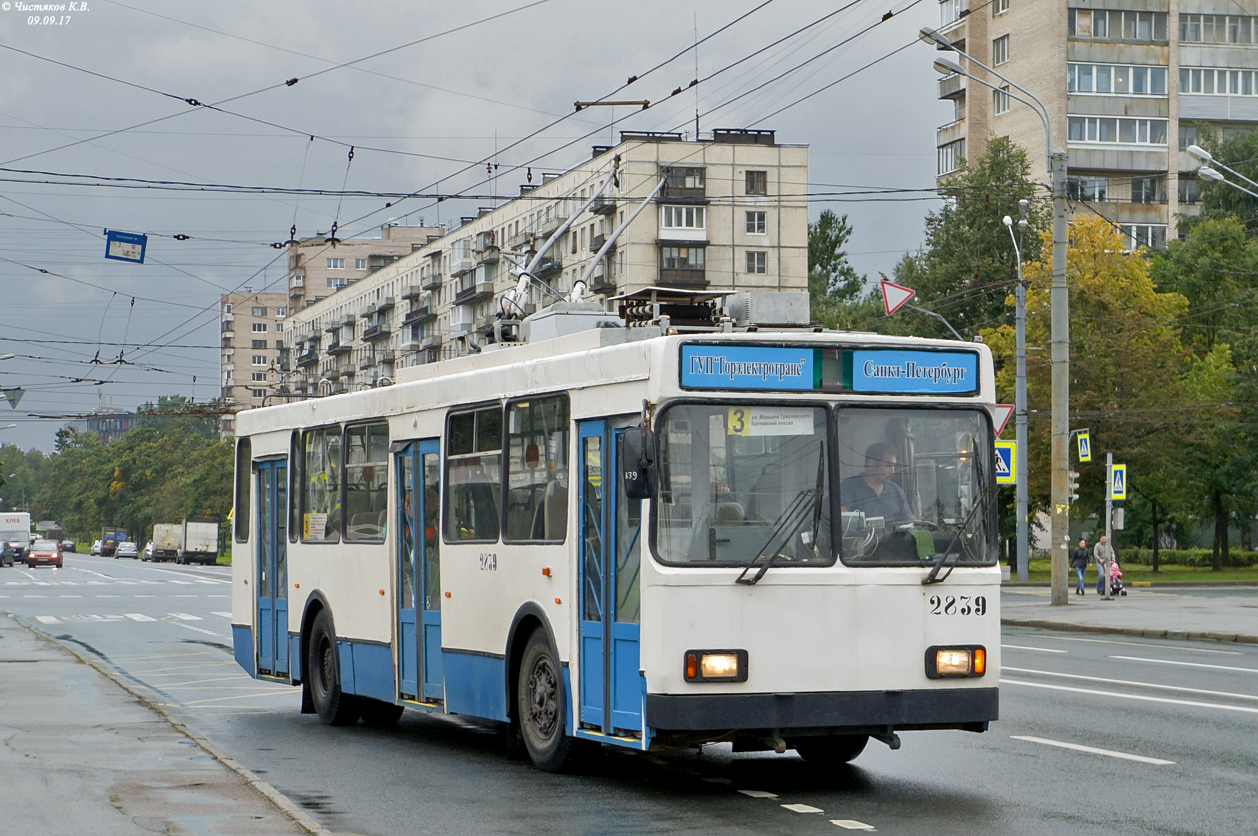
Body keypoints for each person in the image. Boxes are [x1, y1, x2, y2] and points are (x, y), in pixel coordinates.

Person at [841, 441, 913, 522]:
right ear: (872, 464)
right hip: (863, 535)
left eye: (893, 466)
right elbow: (841, 514)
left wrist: (910, 520)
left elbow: (908, 518)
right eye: (888, 466)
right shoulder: (849, 486)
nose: (893, 471)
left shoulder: (896, 491)